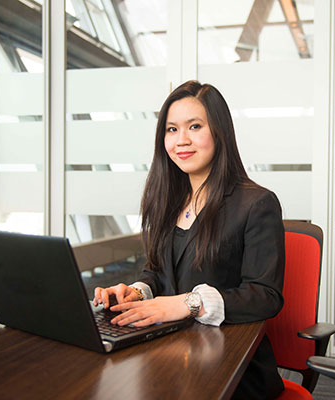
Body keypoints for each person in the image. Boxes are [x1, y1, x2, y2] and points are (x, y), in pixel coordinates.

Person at [93, 80, 285, 399]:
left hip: (230, 367)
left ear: (219, 132)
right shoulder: (168, 199)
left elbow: (265, 295)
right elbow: (157, 271)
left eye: (194, 126)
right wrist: (137, 291)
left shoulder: (256, 203)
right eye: (171, 129)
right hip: (167, 352)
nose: (181, 140)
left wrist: (188, 303)